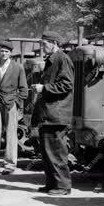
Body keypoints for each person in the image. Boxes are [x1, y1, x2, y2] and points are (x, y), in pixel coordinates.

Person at [31, 31, 74, 196]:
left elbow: (67, 84)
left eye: (45, 43)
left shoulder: (62, 59)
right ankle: (52, 184)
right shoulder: (53, 60)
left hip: (57, 114)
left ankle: (63, 186)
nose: (42, 47)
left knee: (57, 152)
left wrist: (44, 88)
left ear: (54, 42)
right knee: (48, 152)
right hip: (50, 114)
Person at [0, 40, 28, 174]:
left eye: (6, 52)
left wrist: (16, 102)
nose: (3, 54)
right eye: (1, 51)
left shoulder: (18, 68)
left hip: (10, 104)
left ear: (11, 53)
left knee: (11, 135)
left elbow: (24, 90)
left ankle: (10, 165)